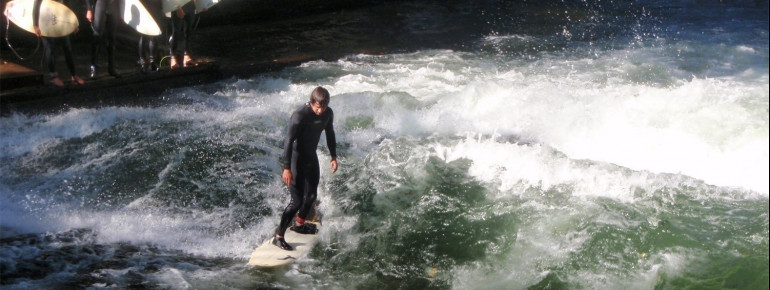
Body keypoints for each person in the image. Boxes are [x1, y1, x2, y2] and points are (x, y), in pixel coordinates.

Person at [273, 87, 339, 251]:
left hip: (311, 157)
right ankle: (278, 236)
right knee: (296, 202)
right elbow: (288, 141)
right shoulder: (299, 115)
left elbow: (330, 133)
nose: (320, 110)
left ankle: (299, 225)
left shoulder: (328, 114)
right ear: (311, 103)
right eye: (317, 107)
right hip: (296, 159)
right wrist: (286, 168)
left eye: (323, 107)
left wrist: (333, 157)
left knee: (311, 196)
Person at [32, 0, 86, 86]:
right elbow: (36, 6)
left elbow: (68, 6)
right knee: (49, 48)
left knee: (67, 47)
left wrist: (74, 23)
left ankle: (73, 74)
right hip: (45, 20)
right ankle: (54, 77)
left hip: (60, 20)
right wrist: (35, 25)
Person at [86, 0, 121, 78]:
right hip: (101, 4)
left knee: (112, 38)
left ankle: (111, 68)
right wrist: (89, 9)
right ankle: (93, 67)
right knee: (97, 37)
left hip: (113, 6)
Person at [168, 1, 197, 68]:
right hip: (178, 4)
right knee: (177, 32)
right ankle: (173, 57)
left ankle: (187, 55)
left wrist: (202, 5)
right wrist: (178, 7)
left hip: (190, 4)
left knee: (189, 31)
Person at [137, 0, 162, 73]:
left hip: (155, 5)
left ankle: (152, 62)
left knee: (154, 34)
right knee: (143, 34)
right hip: (144, 6)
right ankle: (143, 62)